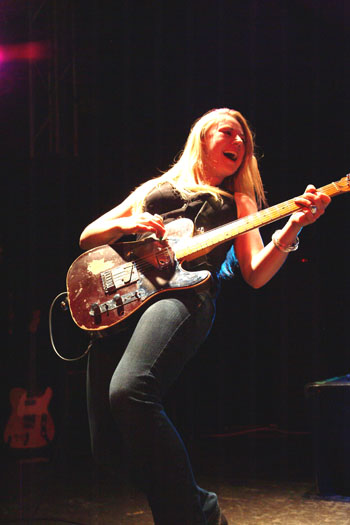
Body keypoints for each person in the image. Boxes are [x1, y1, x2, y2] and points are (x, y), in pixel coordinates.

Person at [79, 108, 330, 525]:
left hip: (184, 295)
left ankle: (192, 515)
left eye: (244, 140)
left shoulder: (240, 200)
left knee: (130, 391)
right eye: (229, 132)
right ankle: (199, 509)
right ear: (203, 136)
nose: (239, 143)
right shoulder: (159, 187)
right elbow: (89, 235)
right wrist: (130, 220)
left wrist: (293, 226)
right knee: (106, 448)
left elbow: (255, 274)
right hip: (124, 299)